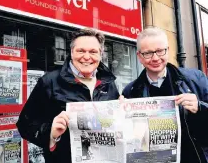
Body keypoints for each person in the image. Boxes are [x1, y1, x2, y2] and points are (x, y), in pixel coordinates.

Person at [16, 28, 119, 163]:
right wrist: (51, 134)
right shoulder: (49, 81)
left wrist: (121, 110)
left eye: (93, 52)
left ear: (100, 54)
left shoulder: (109, 83)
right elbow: (25, 124)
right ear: (71, 52)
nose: (87, 57)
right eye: (81, 51)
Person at [122, 27, 208, 163]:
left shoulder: (196, 79)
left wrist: (200, 107)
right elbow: (130, 137)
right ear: (139, 56)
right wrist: (121, 114)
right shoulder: (130, 91)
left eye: (160, 51)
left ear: (168, 50)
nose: (155, 58)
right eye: (148, 53)